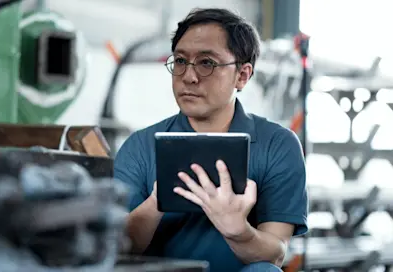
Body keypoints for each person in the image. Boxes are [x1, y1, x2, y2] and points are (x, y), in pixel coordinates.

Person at [114, 8, 308, 272]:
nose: (189, 77)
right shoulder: (140, 146)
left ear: (242, 75)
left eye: (207, 63)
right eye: (180, 61)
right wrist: (156, 203)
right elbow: (116, 248)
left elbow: (275, 254)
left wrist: (238, 232)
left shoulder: (277, 145)